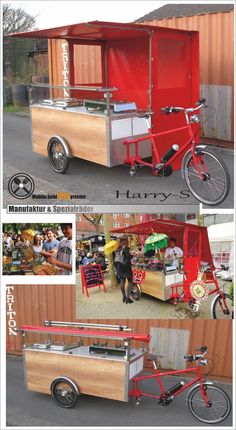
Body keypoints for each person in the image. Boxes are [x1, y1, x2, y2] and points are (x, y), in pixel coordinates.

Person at [115, 237, 134, 304]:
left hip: (120, 267)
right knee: (130, 281)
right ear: (126, 241)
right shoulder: (125, 248)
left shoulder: (117, 249)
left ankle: (124, 297)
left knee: (122, 281)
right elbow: (128, 257)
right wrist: (132, 255)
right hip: (126, 267)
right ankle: (128, 298)